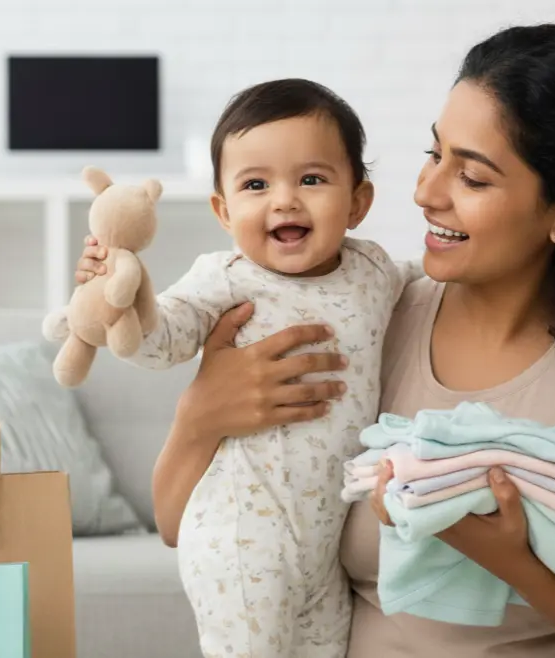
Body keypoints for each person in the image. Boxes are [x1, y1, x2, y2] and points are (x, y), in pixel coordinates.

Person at [77, 23, 555, 658]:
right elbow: (174, 525)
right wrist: (199, 413)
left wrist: (512, 562)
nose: (425, 193)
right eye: (435, 155)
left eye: (474, 178)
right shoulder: (375, 315)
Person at [76, 78, 420, 657]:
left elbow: (439, 284)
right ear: (223, 209)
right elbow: (162, 340)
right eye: (256, 184)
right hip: (241, 534)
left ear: (358, 201)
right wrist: (123, 300)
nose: (284, 199)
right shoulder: (226, 277)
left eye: (312, 179)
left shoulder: (375, 270)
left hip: (325, 547)